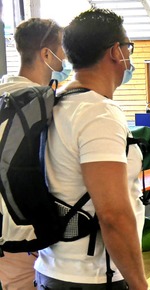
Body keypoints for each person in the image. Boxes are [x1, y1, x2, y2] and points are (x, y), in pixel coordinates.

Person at [33, 8, 148, 290]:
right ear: (115, 52)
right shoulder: (98, 114)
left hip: (53, 268)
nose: (129, 58)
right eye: (128, 48)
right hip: (92, 278)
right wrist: (140, 285)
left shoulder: (55, 102)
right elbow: (113, 215)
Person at [0, 17, 69, 290]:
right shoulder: (40, 102)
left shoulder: (5, 94)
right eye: (62, 50)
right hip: (24, 232)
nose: (65, 58)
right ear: (45, 54)